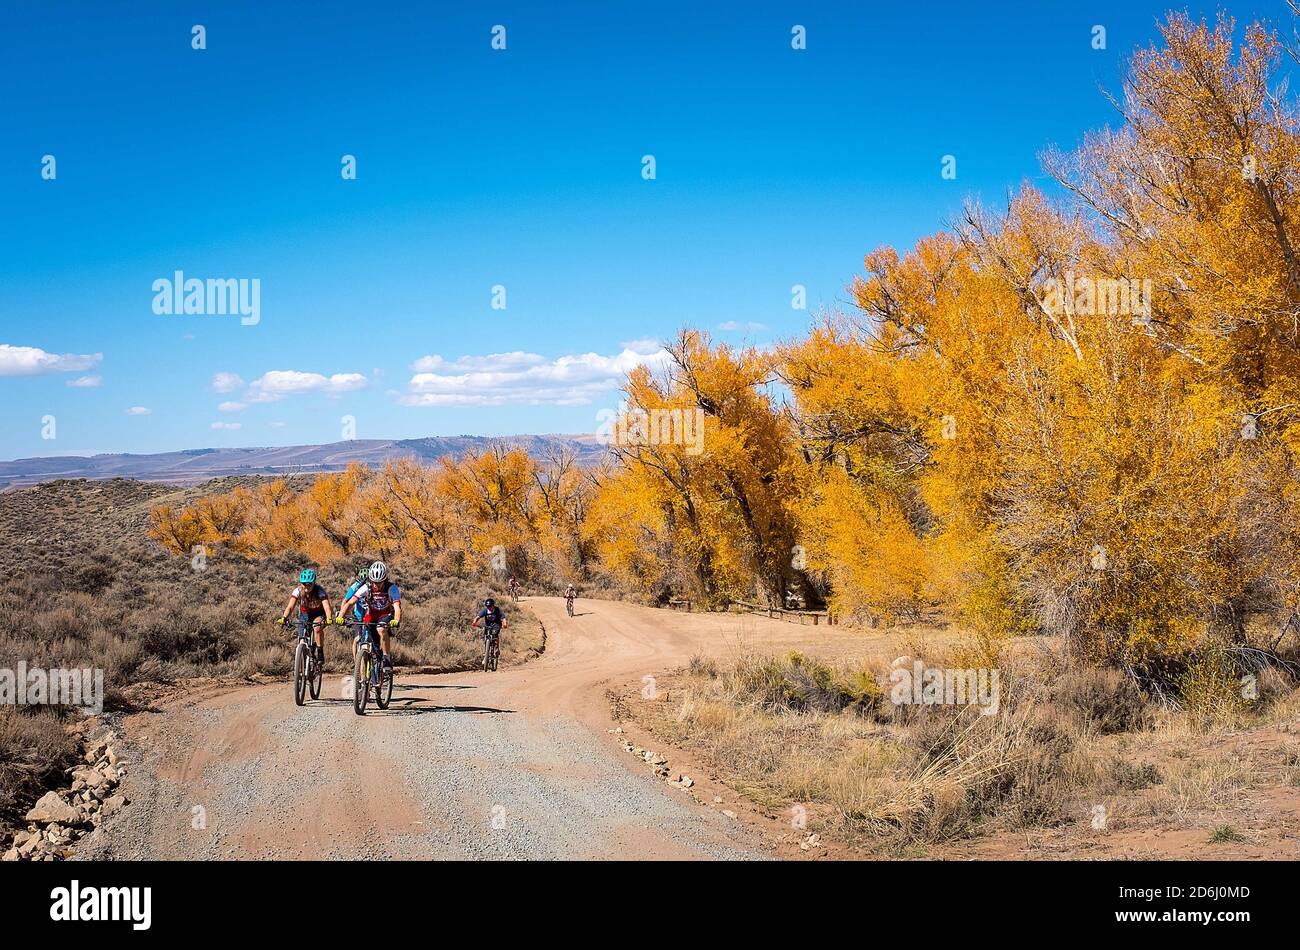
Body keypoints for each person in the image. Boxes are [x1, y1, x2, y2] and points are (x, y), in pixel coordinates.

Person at [338, 561, 401, 671]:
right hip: (370, 615)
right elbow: (350, 602)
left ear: (385, 579)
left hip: (385, 615)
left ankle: (386, 658)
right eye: (374, 582)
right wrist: (341, 616)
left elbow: (397, 607)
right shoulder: (367, 587)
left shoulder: (392, 588)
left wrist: (396, 620)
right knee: (366, 630)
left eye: (380, 582)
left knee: (381, 629)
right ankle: (367, 657)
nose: (376, 585)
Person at [278, 569, 332, 665]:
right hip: (305, 614)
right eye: (304, 583)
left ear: (314, 583)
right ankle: (301, 665)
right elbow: (290, 606)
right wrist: (284, 617)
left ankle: (320, 652)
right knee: (301, 638)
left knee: (317, 628)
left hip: (318, 614)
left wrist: (328, 618)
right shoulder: (297, 591)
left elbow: (327, 607)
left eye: (309, 584)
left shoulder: (320, 591)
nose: (307, 586)